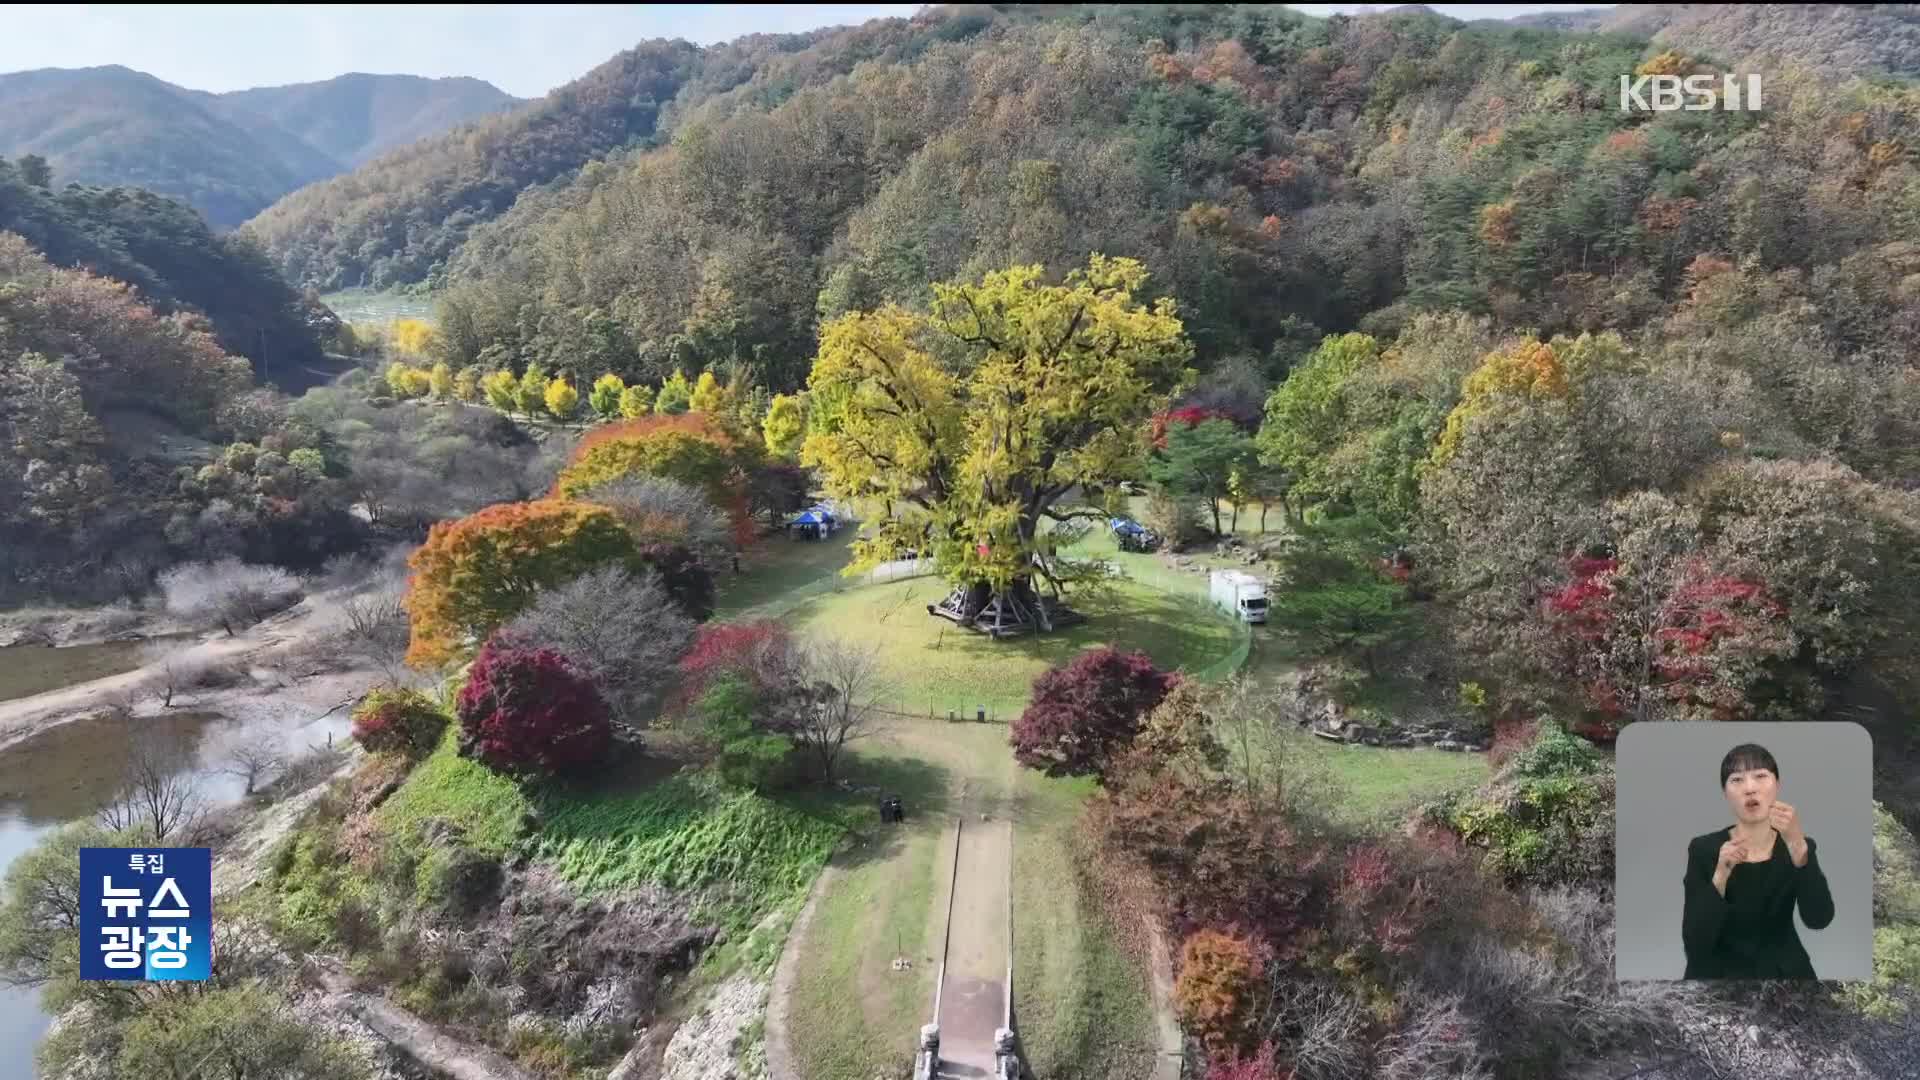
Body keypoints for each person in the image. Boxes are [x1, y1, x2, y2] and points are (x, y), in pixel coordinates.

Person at [1681, 743, 1835, 979]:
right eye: (1737, 780)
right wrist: (1720, 875)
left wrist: (1798, 847)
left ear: (1777, 785)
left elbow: (1819, 919)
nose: (1750, 788)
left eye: (1761, 776)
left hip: (1786, 976)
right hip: (1718, 979)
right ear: (1725, 792)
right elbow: (1695, 943)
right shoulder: (1704, 849)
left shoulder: (1799, 846)